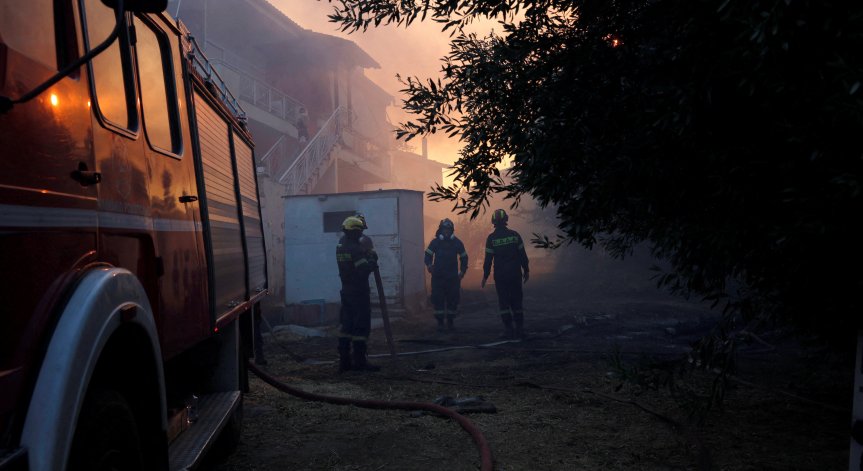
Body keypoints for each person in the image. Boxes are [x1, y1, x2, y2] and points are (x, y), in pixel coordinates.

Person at [336, 216, 380, 372]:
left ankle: (344, 362)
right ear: (354, 232)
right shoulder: (355, 249)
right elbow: (363, 270)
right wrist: (372, 261)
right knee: (361, 327)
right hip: (359, 292)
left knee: (346, 326)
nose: (361, 234)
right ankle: (360, 362)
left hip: (346, 291)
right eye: (360, 231)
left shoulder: (341, 244)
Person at [481, 209, 530, 339]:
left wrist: (485, 276)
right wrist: (526, 270)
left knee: (503, 302)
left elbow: (488, 260)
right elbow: (522, 255)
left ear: (493, 222)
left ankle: (508, 330)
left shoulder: (491, 238)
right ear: (506, 220)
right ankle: (520, 329)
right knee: (517, 300)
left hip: (501, 276)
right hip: (515, 274)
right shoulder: (515, 235)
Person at [424, 218, 468, 332]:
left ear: (452, 230)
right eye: (445, 229)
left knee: (452, 300)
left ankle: (450, 322)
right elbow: (427, 255)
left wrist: (462, 272)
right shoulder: (435, 242)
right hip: (438, 278)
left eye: (449, 229)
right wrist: (429, 265)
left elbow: (464, 257)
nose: (447, 231)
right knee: (438, 300)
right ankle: (440, 323)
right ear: (441, 230)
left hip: (453, 278)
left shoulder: (457, 242)